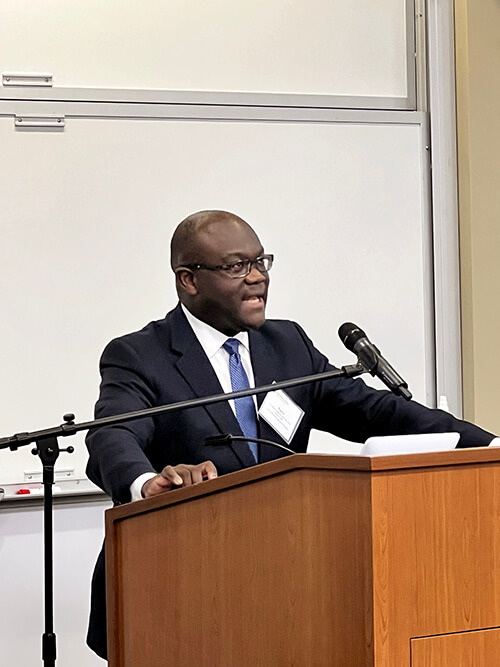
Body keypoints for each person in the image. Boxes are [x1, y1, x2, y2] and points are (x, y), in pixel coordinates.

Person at [85, 209, 495, 659]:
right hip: (178, 583)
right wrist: (146, 484)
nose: (257, 277)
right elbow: (113, 435)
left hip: (278, 585)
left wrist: (487, 445)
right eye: (237, 266)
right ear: (189, 279)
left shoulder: (287, 344)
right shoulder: (140, 354)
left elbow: (375, 411)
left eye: (262, 262)